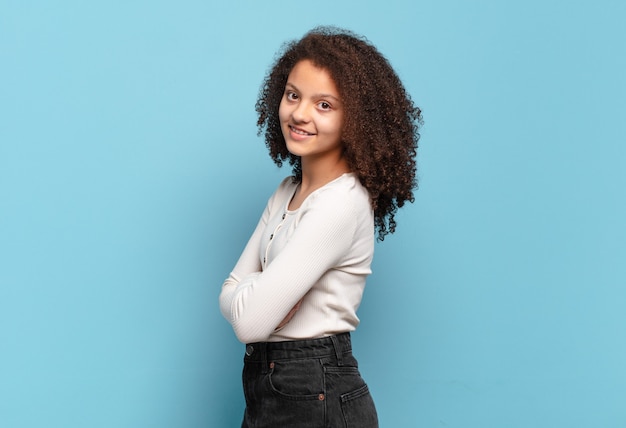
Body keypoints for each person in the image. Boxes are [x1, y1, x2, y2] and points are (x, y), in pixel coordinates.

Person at [219, 26, 422, 428]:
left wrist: (254, 297)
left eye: (324, 104)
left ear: (357, 120)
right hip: (273, 386)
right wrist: (252, 298)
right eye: (293, 95)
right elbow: (231, 293)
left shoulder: (341, 204)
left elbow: (247, 322)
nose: (299, 113)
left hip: (314, 391)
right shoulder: (286, 192)